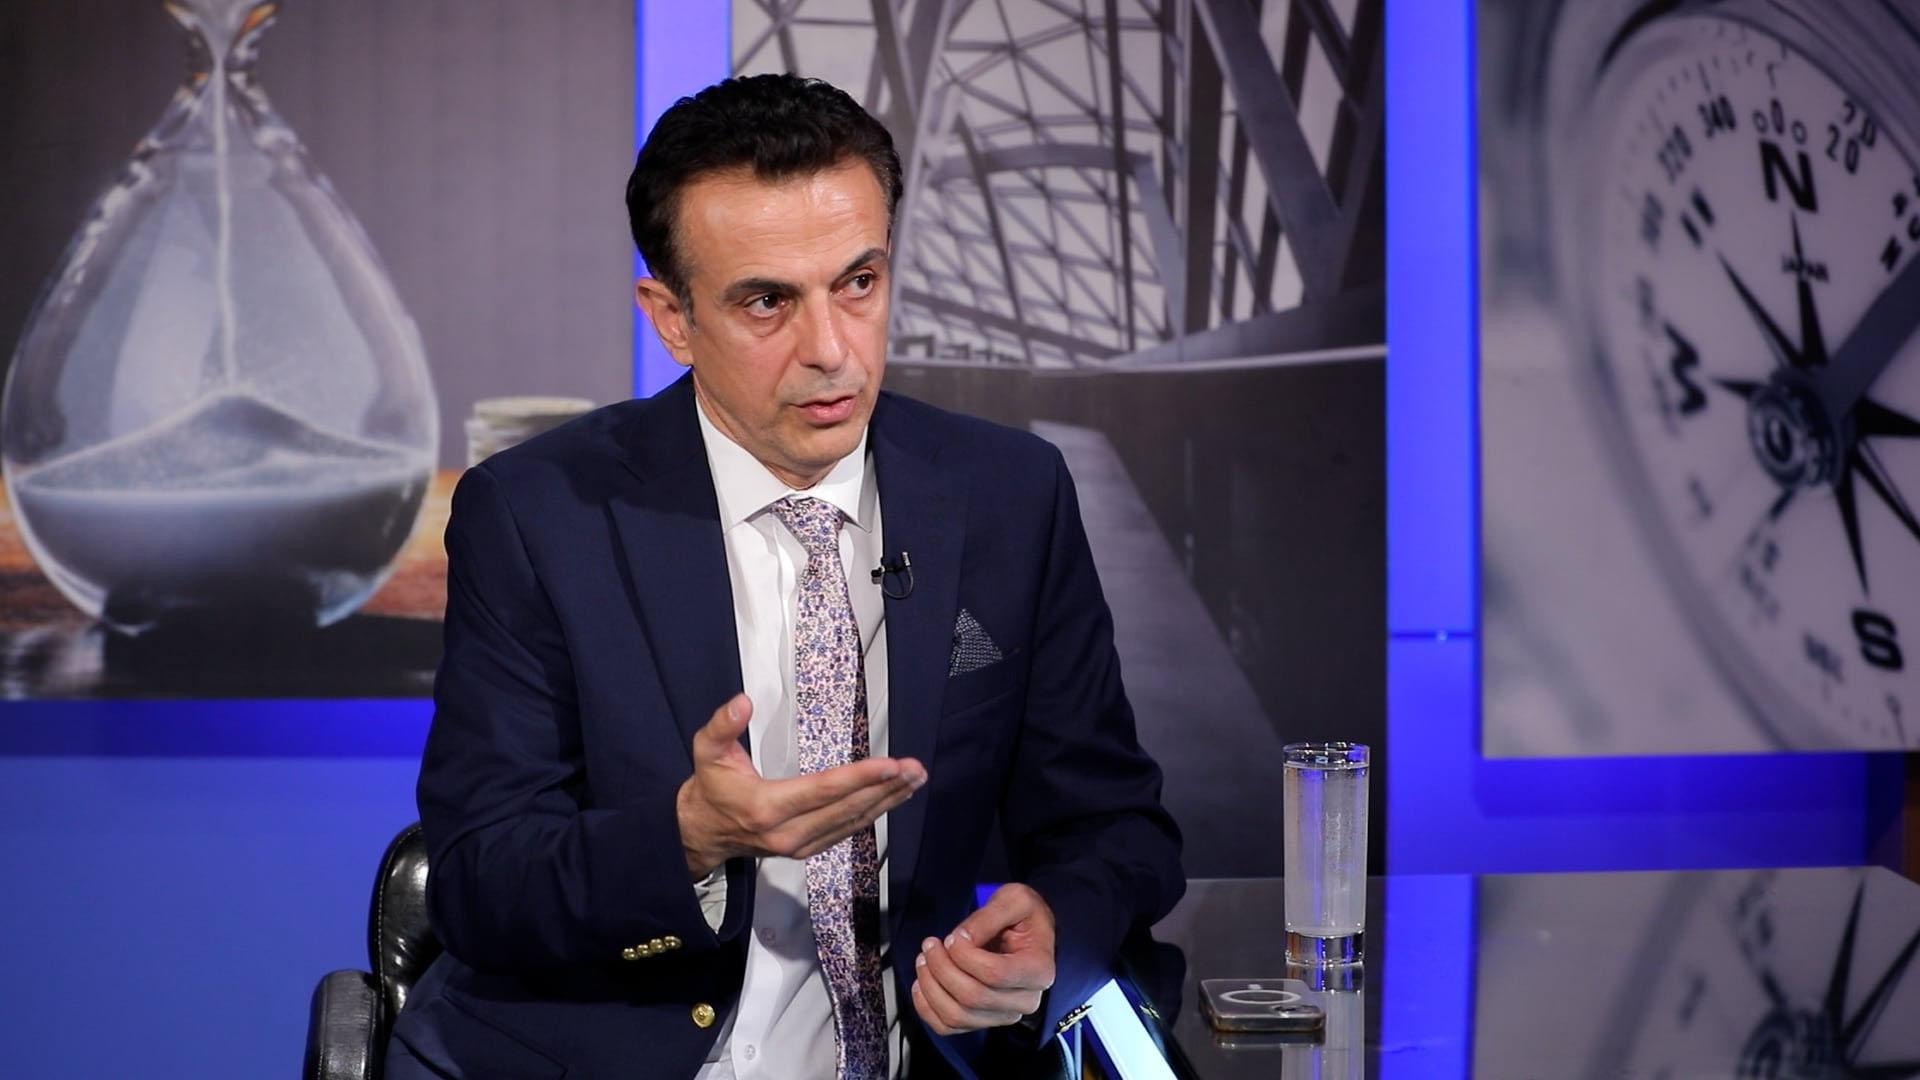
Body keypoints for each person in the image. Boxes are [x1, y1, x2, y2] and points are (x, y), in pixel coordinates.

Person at [385, 72, 1183, 1080]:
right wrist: (687, 837)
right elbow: (478, 880)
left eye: (859, 283)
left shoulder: (1009, 493)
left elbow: (1116, 828)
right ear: (671, 317)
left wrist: (1056, 927)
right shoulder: (538, 515)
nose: (831, 350)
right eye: (768, 301)